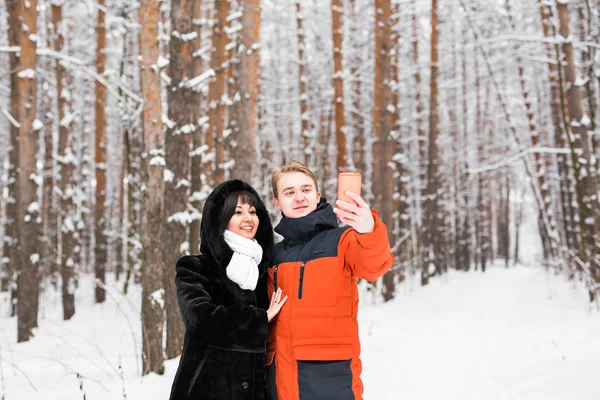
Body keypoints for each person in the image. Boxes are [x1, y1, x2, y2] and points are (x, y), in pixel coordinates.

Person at [266, 161, 394, 400]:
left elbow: (375, 265)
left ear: (317, 195)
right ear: (277, 202)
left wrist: (368, 229)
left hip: (332, 377)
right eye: (289, 192)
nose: (299, 197)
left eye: (305, 189)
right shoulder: (272, 255)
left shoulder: (343, 240)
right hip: (278, 378)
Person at [169, 179, 288, 400]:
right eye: (237, 212)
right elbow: (200, 319)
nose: (248, 219)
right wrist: (259, 318)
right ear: (220, 220)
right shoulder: (195, 268)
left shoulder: (263, 273)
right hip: (205, 390)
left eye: (252, 211)